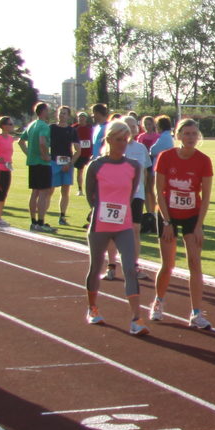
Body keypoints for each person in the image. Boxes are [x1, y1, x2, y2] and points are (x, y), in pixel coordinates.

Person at [83, 121, 148, 335]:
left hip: (124, 225)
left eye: (125, 140)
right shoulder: (96, 166)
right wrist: (102, 210)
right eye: (118, 139)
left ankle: (136, 319)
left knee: (130, 268)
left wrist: (120, 212)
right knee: (96, 267)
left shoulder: (133, 166)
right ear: (109, 140)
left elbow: (130, 194)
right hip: (100, 225)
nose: (122, 144)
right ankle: (92, 308)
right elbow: (90, 195)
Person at [151, 118, 214, 329]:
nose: (190, 137)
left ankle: (196, 313)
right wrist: (166, 222)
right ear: (178, 135)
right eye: (186, 133)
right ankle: (159, 302)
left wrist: (199, 226)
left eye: (194, 134)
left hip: (192, 215)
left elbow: (206, 196)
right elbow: (158, 191)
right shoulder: (165, 157)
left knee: (195, 263)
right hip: (168, 213)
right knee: (168, 264)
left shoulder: (204, 160)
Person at [21, 102, 55, 234]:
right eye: (47, 110)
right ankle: (40, 222)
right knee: (43, 193)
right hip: (42, 163)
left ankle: (33, 222)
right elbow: (42, 142)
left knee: (34, 192)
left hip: (33, 163)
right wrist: (45, 155)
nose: (49, 112)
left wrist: (29, 154)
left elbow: (21, 141)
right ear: (43, 111)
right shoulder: (44, 126)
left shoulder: (31, 125)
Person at [49, 105, 79, 226]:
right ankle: (42, 217)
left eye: (64, 113)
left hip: (67, 164)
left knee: (65, 192)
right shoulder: (51, 128)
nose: (62, 115)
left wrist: (70, 163)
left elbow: (78, 150)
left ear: (68, 116)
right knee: (49, 191)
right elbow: (44, 144)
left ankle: (62, 216)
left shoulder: (72, 130)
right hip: (53, 162)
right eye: (60, 113)